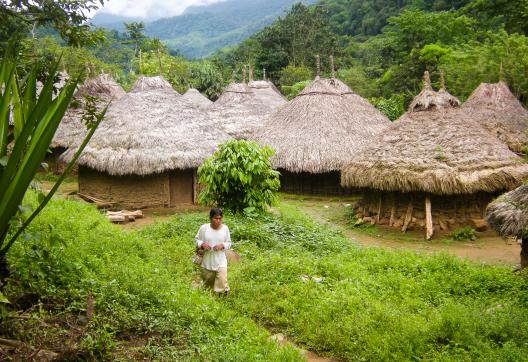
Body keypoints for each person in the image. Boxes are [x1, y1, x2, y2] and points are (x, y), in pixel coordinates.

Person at [195, 208, 232, 294]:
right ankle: (211, 299)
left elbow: (229, 242)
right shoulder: (204, 228)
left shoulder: (225, 228)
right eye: (215, 218)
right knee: (208, 285)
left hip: (221, 260)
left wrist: (222, 245)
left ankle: (223, 296)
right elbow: (196, 240)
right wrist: (202, 244)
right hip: (207, 260)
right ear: (211, 218)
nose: (218, 221)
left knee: (222, 280)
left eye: (220, 218)